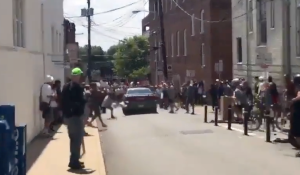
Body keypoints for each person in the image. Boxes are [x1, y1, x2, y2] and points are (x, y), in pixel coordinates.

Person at [61, 67, 86, 169]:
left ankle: (74, 160)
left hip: (68, 116)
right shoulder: (76, 88)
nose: (80, 77)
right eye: (79, 75)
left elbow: (62, 101)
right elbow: (79, 102)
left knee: (73, 139)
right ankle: (74, 162)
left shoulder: (65, 87)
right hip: (75, 117)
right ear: (77, 76)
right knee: (76, 140)